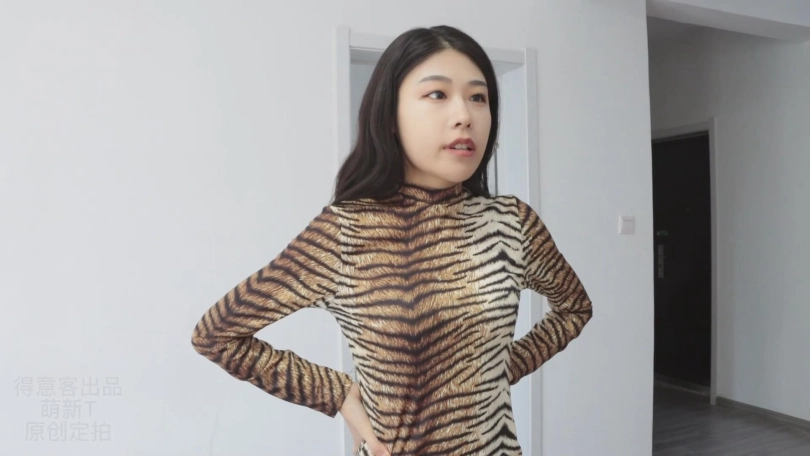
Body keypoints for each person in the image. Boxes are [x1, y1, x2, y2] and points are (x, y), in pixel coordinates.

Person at [190, 25, 593, 456]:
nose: (465, 115)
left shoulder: (512, 222)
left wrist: (496, 371)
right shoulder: (346, 231)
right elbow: (216, 336)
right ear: (390, 116)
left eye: (479, 97)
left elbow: (574, 309)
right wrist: (337, 394)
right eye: (437, 94)